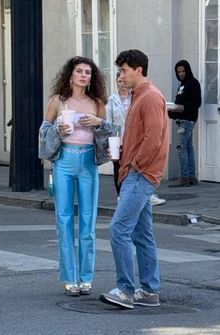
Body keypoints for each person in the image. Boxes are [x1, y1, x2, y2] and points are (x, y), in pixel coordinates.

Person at [100, 49, 169, 309]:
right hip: (134, 172)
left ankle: (126, 290)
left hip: (140, 174)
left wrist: (135, 165)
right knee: (142, 234)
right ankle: (150, 291)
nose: (121, 75)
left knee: (118, 229)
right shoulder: (139, 96)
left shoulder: (150, 96)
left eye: (124, 70)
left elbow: (154, 138)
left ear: (138, 69)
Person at [40, 56, 111, 296]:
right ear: (70, 75)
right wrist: (58, 130)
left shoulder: (97, 102)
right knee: (64, 218)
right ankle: (69, 277)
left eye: (88, 72)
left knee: (88, 221)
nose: (83, 75)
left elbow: (108, 132)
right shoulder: (57, 100)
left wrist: (99, 122)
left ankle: (86, 278)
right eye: (79, 71)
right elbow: (43, 130)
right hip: (64, 160)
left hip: (88, 160)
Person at [107, 73, 166, 206]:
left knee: (136, 170)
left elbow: (152, 135)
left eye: (123, 80)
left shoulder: (137, 97)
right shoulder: (112, 100)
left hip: (134, 139)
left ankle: (144, 196)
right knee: (118, 167)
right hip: (118, 137)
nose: (122, 83)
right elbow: (108, 121)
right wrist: (110, 140)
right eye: (119, 81)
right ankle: (121, 195)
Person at [168, 60, 201, 187]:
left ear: (187, 70)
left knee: (182, 147)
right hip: (182, 119)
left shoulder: (192, 83)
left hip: (187, 120)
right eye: (179, 72)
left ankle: (184, 177)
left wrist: (183, 108)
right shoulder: (182, 84)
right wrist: (171, 111)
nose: (181, 74)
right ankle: (191, 176)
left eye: (183, 71)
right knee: (187, 146)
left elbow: (196, 103)